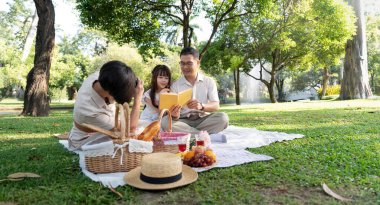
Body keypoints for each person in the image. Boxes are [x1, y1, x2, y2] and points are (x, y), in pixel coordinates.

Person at [68, 60, 144, 150]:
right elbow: (130, 128)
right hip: (85, 140)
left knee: (144, 124)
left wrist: (128, 79)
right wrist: (138, 99)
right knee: (131, 135)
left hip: (103, 128)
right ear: (113, 93)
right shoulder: (90, 111)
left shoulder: (103, 77)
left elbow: (117, 76)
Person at [161, 47, 229, 134]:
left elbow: (216, 106)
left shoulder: (209, 81)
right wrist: (174, 115)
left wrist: (201, 106)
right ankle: (201, 135)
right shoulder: (175, 85)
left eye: (189, 63)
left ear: (198, 63)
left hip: (203, 120)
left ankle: (191, 135)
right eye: (182, 63)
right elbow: (171, 114)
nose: (185, 67)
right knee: (165, 122)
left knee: (223, 118)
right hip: (183, 121)